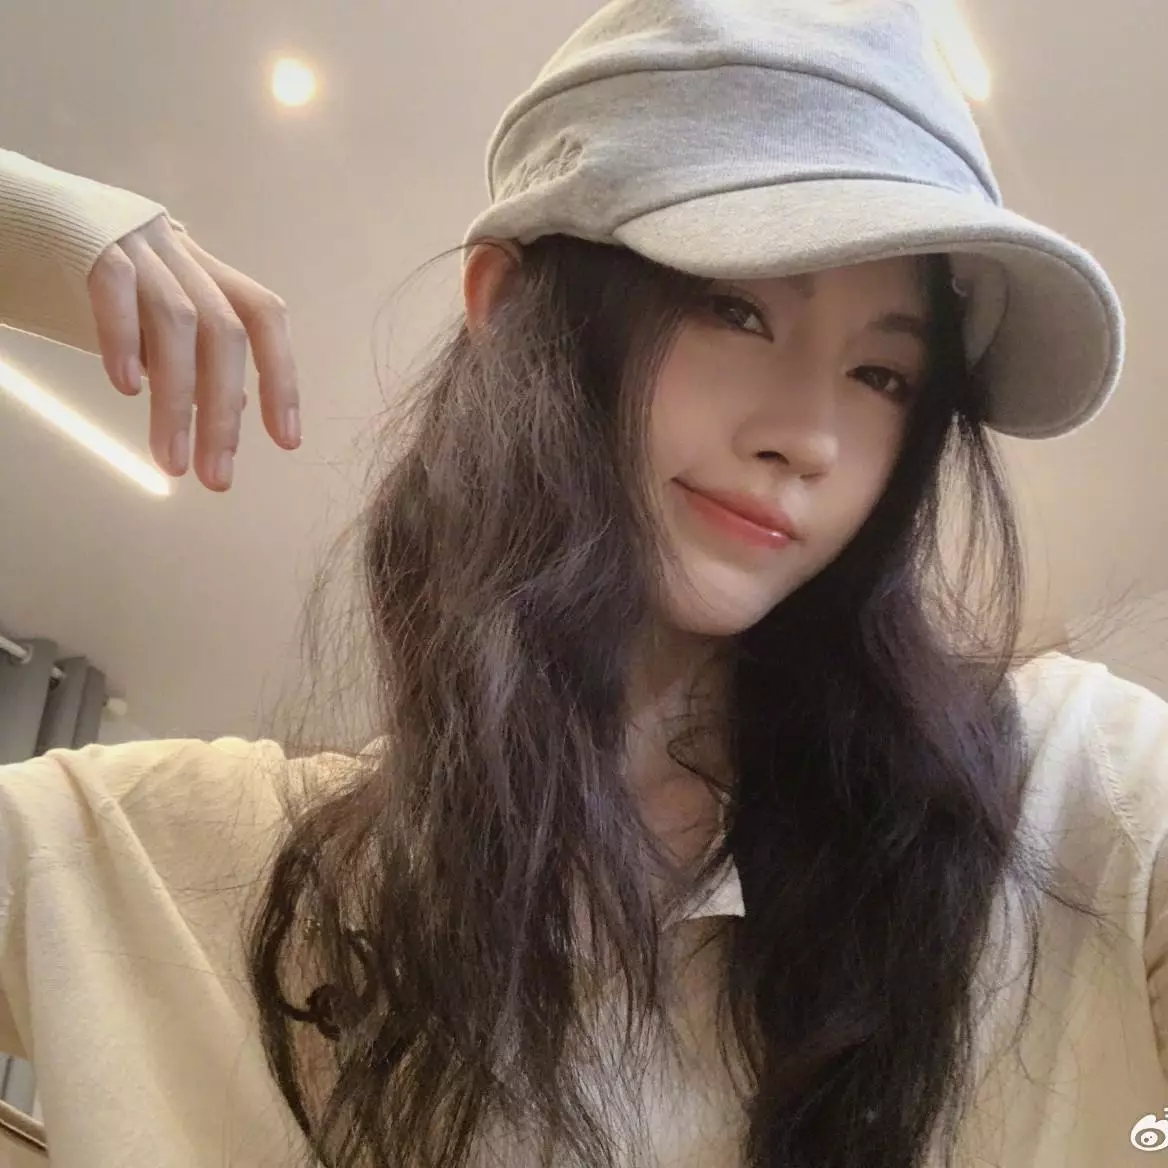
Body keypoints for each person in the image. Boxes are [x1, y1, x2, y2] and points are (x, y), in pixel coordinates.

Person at [0, 2, 1164, 1167]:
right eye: (737, 306)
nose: (810, 435)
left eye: (882, 374)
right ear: (510, 304)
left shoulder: (1066, 801)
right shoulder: (194, 869)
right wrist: (34, 225)